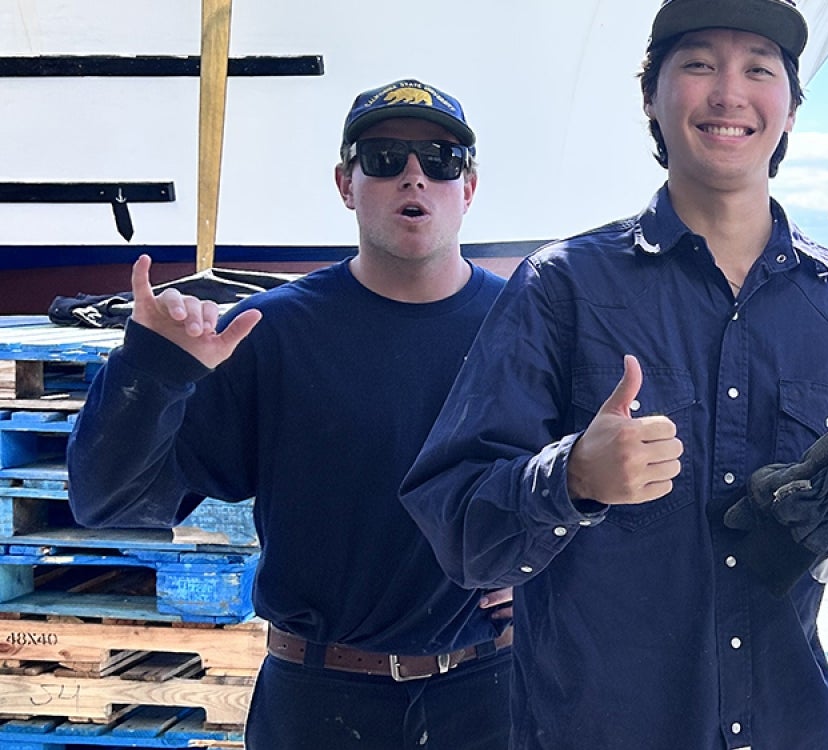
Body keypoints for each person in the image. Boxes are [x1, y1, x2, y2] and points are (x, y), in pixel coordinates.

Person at [398, 0, 828, 747]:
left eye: (758, 69)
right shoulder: (560, 288)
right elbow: (460, 531)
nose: (729, 93)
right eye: (699, 64)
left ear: (791, 109)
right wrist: (570, 478)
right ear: (650, 99)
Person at [67, 79, 512, 749]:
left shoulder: (527, 331)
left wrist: (558, 573)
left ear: (468, 187)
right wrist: (153, 368)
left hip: (490, 699)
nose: (414, 176)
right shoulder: (267, 335)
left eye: (440, 160)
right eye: (385, 158)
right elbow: (111, 501)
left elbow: (600, 486)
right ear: (345, 182)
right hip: (317, 704)